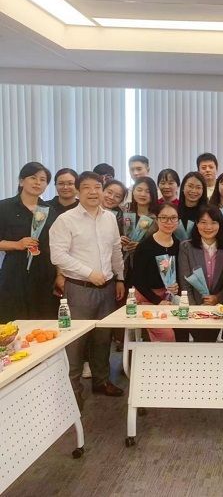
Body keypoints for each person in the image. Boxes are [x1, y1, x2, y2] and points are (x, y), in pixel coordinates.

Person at [49, 171, 126, 406]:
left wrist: (120, 278)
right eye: (86, 187)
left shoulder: (110, 218)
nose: (93, 192)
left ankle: (101, 381)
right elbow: (58, 256)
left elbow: (115, 250)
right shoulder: (65, 220)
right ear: (77, 191)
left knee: (103, 339)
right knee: (75, 342)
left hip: (108, 289)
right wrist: (88, 273)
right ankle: (72, 392)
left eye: (97, 187)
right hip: (79, 289)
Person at [0, 162, 59, 321]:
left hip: (45, 273)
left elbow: (57, 245)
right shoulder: (4, 207)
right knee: (14, 320)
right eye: (33, 177)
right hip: (15, 272)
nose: (38, 182)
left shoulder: (50, 210)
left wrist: (60, 274)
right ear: (21, 181)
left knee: (44, 320)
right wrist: (16, 244)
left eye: (42, 179)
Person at [178, 205, 223, 343]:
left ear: (220, 225)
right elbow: (185, 283)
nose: (208, 227)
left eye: (213, 222)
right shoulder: (186, 247)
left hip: (221, 310)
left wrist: (218, 298)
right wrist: (195, 312)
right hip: (195, 309)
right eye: (203, 222)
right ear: (196, 224)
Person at [131, 203, 181, 342]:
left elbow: (177, 273)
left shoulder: (178, 244)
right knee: (167, 335)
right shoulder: (145, 246)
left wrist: (176, 286)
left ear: (178, 221)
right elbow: (138, 280)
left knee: (184, 326)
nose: (169, 222)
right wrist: (157, 301)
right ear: (157, 220)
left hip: (169, 297)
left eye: (173, 218)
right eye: (164, 218)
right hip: (146, 298)